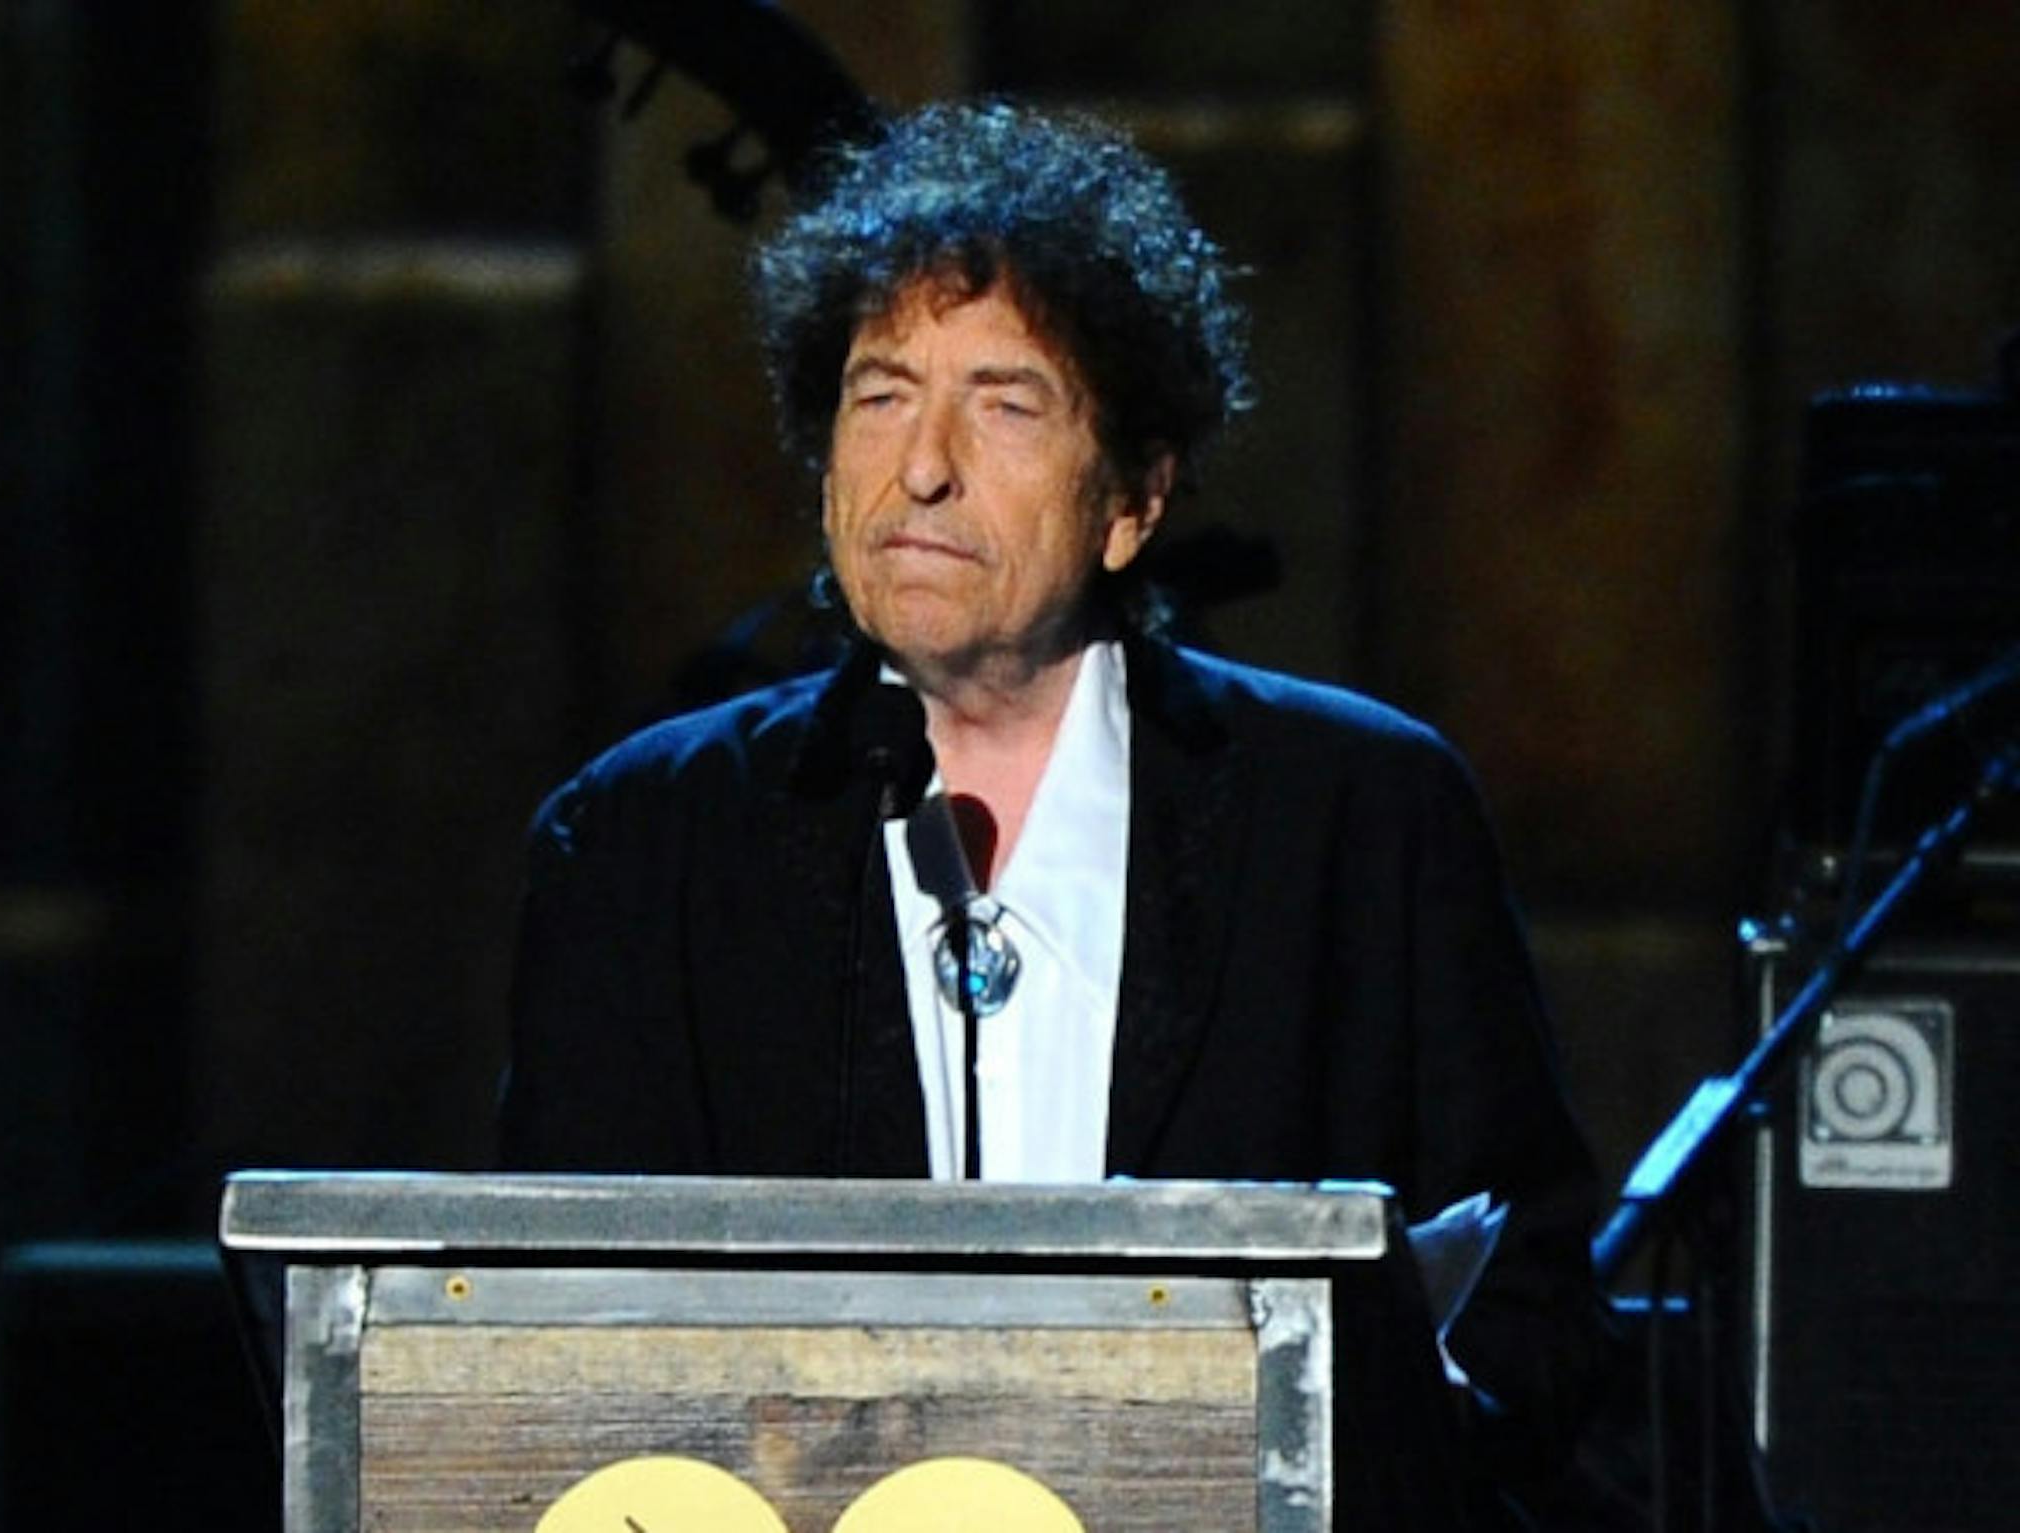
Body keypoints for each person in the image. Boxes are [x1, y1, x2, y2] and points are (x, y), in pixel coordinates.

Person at [500, 101, 1606, 1520]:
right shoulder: (645, 843)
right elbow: (547, 1348)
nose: (923, 466)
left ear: (1133, 499)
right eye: (880, 392)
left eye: (1005, 402)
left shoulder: (1359, 817)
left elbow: (1536, 1311)